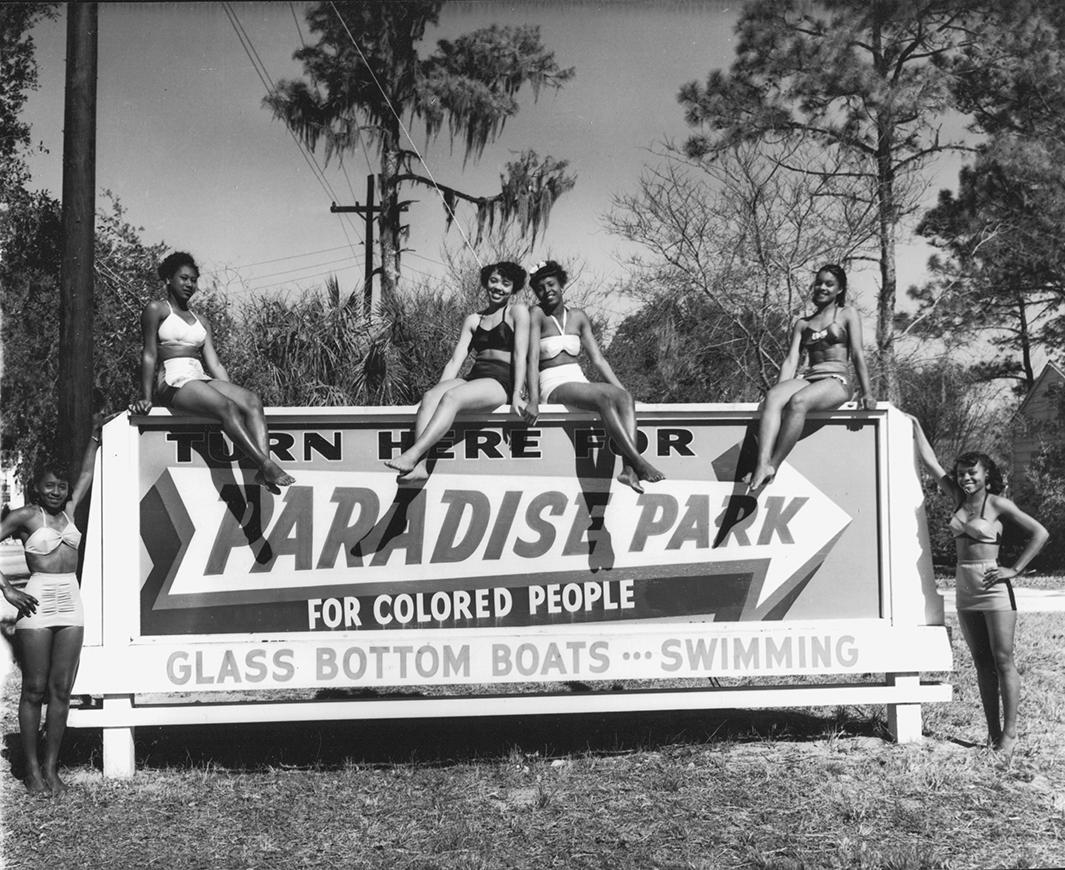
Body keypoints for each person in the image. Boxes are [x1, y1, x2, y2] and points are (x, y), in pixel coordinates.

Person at [909, 416, 1048, 753]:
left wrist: (1013, 569)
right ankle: (991, 733)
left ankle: (1010, 737)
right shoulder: (957, 497)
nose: (965, 478)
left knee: (1003, 660)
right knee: (981, 662)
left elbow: (1040, 533)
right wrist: (913, 422)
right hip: (964, 586)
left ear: (987, 475)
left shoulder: (998, 504)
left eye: (972, 473)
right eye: (961, 473)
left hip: (994, 587)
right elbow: (930, 462)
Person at [129, 251, 294, 491]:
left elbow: (214, 364)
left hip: (198, 377)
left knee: (251, 401)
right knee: (226, 408)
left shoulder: (202, 320)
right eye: (183, 278)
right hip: (173, 380)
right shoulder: (157, 310)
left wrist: (229, 390)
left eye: (193, 280)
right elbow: (149, 354)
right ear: (168, 280)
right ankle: (266, 464)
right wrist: (145, 396)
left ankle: (263, 471)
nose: (189, 284)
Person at [0, 422, 101, 794]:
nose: (56, 491)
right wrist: (7, 588)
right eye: (49, 486)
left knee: (61, 690)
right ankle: (30, 770)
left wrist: (93, 435)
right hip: (37, 607)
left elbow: (87, 473)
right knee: (34, 688)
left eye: (61, 486)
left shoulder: (71, 511)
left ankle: (51, 767)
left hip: (71, 605)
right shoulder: (26, 517)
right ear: (37, 489)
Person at [523, 260, 664, 493]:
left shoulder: (578, 316)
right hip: (553, 384)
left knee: (622, 398)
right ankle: (639, 462)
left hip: (578, 381)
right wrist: (534, 399)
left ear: (562, 285)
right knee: (604, 400)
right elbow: (531, 360)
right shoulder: (536, 314)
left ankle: (628, 471)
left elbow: (599, 360)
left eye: (551, 284)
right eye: (540, 287)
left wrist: (624, 392)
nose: (547, 291)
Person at [384, 262, 530, 483]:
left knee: (452, 397)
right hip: (475, 378)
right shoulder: (474, 320)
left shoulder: (517, 312)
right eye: (494, 281)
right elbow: (454, 361)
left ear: (514, 288)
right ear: (485, 283)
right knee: (430, 397)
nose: (498, 287)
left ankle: (412, 454)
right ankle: (421, 465)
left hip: (501, 381)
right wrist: (435, 393)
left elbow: (521, 355)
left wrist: (518, 393)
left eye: (506, 284)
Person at [748, 264, 874, 492]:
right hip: (810, 378)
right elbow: (790, 361)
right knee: (774, 396)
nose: (822, 287)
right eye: (819, 283)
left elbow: (857, 353)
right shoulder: (803, 323)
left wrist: (867, 392)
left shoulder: (847, 314)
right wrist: (779, 394)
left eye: (829, 284)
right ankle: (761, 463)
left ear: (839, 289)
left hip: (837, 380)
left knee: (799, 402)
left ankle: (773, 466)